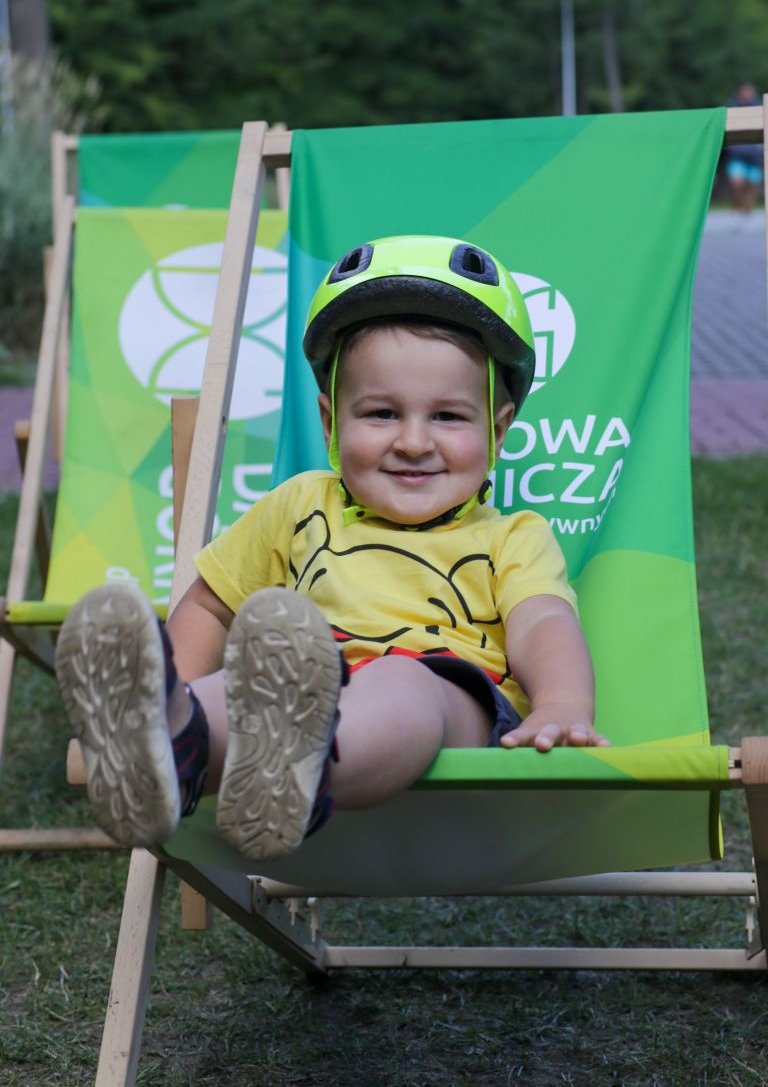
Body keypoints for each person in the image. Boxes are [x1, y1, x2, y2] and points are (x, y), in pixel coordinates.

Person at [56, 235, 609, 863]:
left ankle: (298, 768)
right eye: (381, 414)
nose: (413, 442)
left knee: (405, 681)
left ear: (498, 430)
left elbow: (542, 622)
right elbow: (211, 605)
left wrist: (563, 704)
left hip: (451, 700)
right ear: (329, 422)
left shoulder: (511, 536)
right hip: (302, 686)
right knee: (237, 689)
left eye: (448, 417)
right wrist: (176, 686)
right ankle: (168, 737)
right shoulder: (298, 506)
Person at [725, 81, 764, 213]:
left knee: (752, 187)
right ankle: (738, 208)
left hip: (754, 155)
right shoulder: (731, 106)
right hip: (737, 153)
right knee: (736, 184)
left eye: (749, 91)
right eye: (744, 91)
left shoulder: (759, 106)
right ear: (739, 93)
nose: (746, 94)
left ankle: (746, 213)